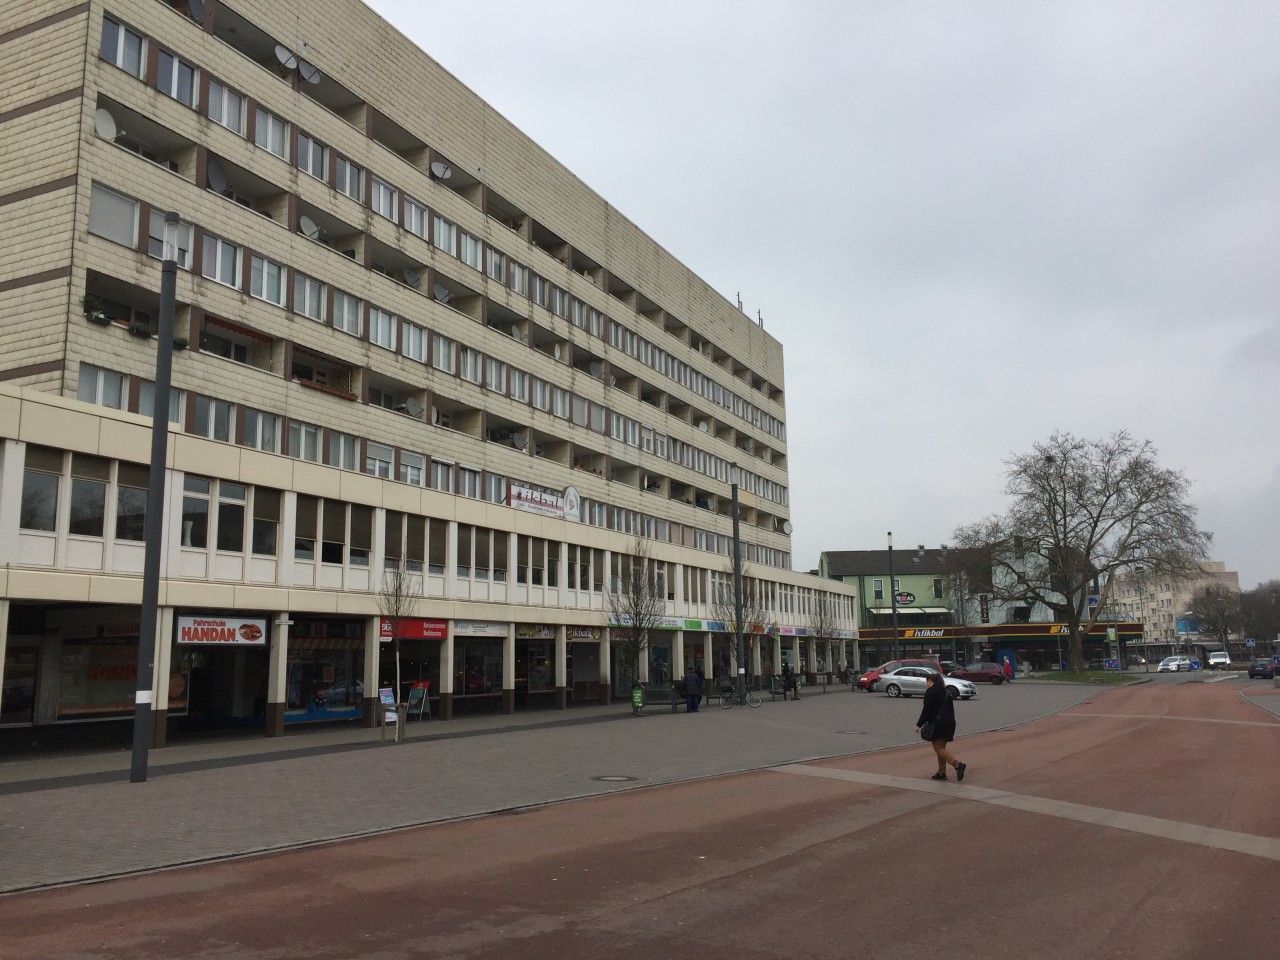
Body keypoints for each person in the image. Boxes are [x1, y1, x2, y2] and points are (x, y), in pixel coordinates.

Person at [915, 671, 966, 782]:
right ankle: (941, 773)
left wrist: (919, 724)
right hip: (949, 723)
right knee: (941, 748)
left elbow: (926, 710)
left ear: (930, 681)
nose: (926, 684)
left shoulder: (930, 692)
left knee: (938, 749)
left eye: (926, 682)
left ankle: (957, 764)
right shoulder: (946, 691)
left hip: (937, 724)